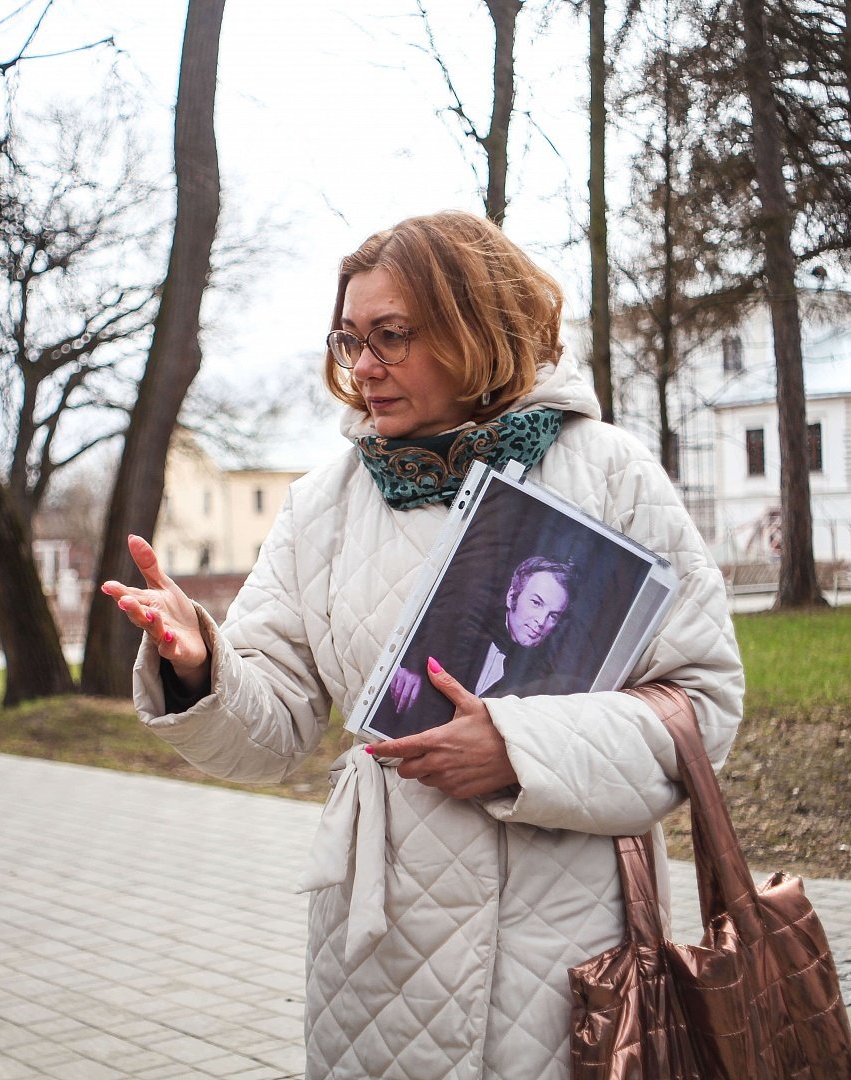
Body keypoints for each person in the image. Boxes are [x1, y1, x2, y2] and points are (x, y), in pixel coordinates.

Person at [102, 211, 743, 1078]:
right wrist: (198, 666)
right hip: (378, 952)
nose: (363, 368)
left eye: (392, 337)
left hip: (562, 943)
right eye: (350, 341)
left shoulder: (608, 472)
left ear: (477, 328)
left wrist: (518, 750)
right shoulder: (321, 505)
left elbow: (700, 706)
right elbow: (275, 732)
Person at [387, 554, 576, 715]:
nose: (541, 621)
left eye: (553, 616)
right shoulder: (455, 623)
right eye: (536, 603)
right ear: (512, 597)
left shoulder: (543, 686)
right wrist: (405, 667)